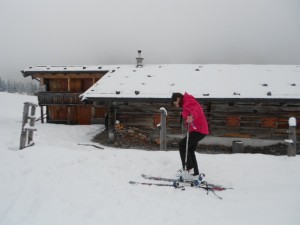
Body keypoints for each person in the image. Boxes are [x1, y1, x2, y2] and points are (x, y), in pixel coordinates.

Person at [171, 92, 209, 177]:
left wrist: (192, 116)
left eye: (175, 103)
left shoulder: (188, 101)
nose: (176, 106)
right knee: (190, 150)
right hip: (198, 130)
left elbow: (196, 109)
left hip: (198, 130)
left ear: (178, 99)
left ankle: (188, 168)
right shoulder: (187, 102)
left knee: (182, 145)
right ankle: (195, 173)